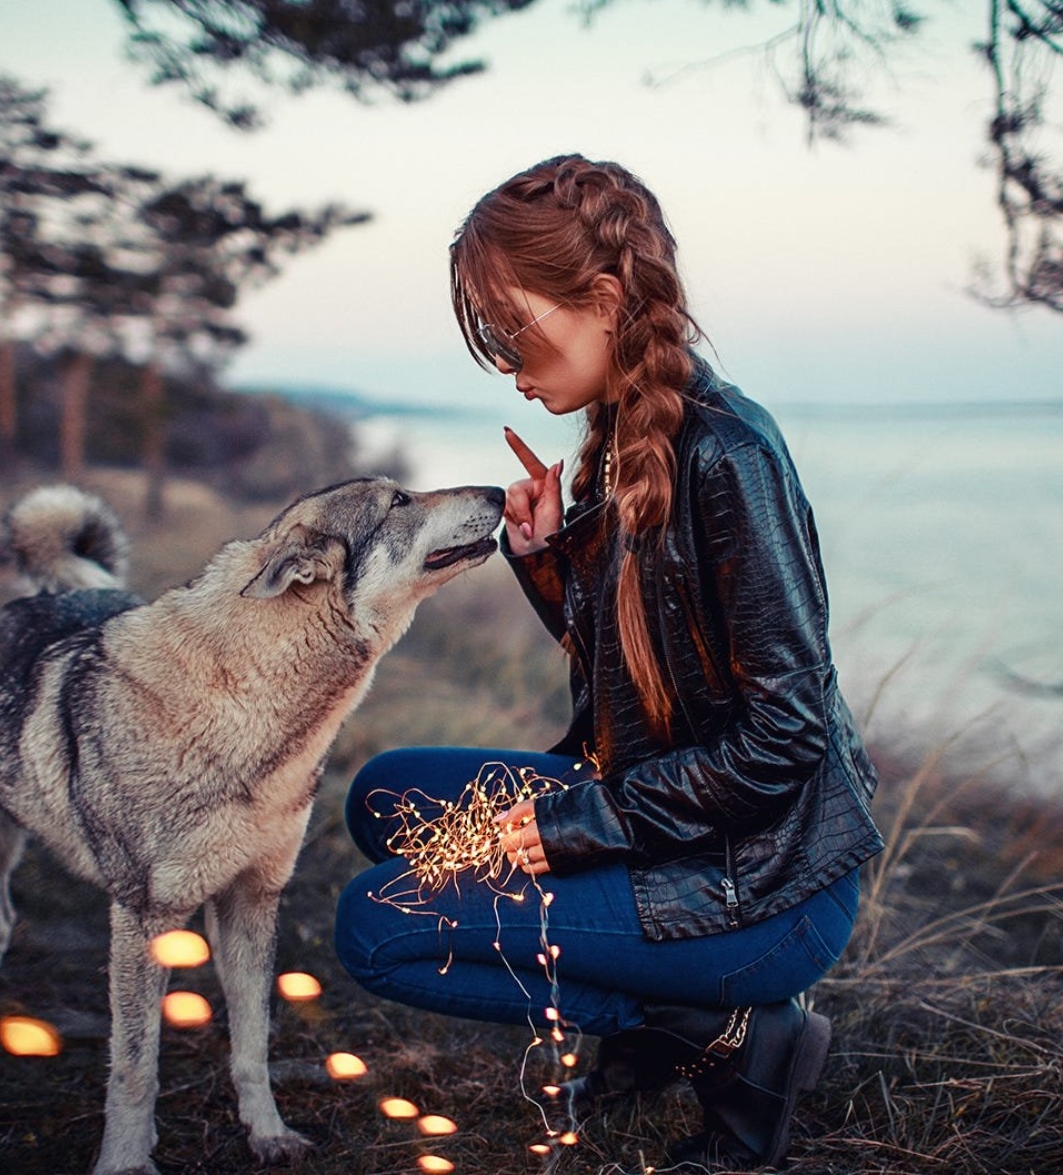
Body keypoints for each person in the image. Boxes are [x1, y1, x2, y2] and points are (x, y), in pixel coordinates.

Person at [334, 154, 883, 1171]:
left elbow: (785, 738)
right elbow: (644, 692)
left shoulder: (729, 455)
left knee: (378, 928)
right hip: (672, 828)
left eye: (514, 330)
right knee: (382, 800)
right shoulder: (623, 433)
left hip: (759, 890)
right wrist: (553, 566)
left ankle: (729, 1039)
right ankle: (668, 1018)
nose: (507, 364)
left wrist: (573, 827)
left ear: (603, 297)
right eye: (491, 340)